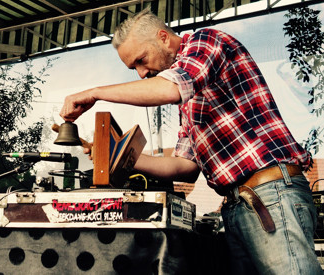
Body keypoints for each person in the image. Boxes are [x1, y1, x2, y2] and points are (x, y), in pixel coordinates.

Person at [60, 8, 322, 275]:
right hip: (237, 205)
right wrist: (121, 156)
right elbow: (185, 167)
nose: (140, 73)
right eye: (133, 67)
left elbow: (169, 88)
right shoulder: (189, 97)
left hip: (269, 193)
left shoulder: (206, 41)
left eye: (141, 60)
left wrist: (95, 93)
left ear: (163, 38)